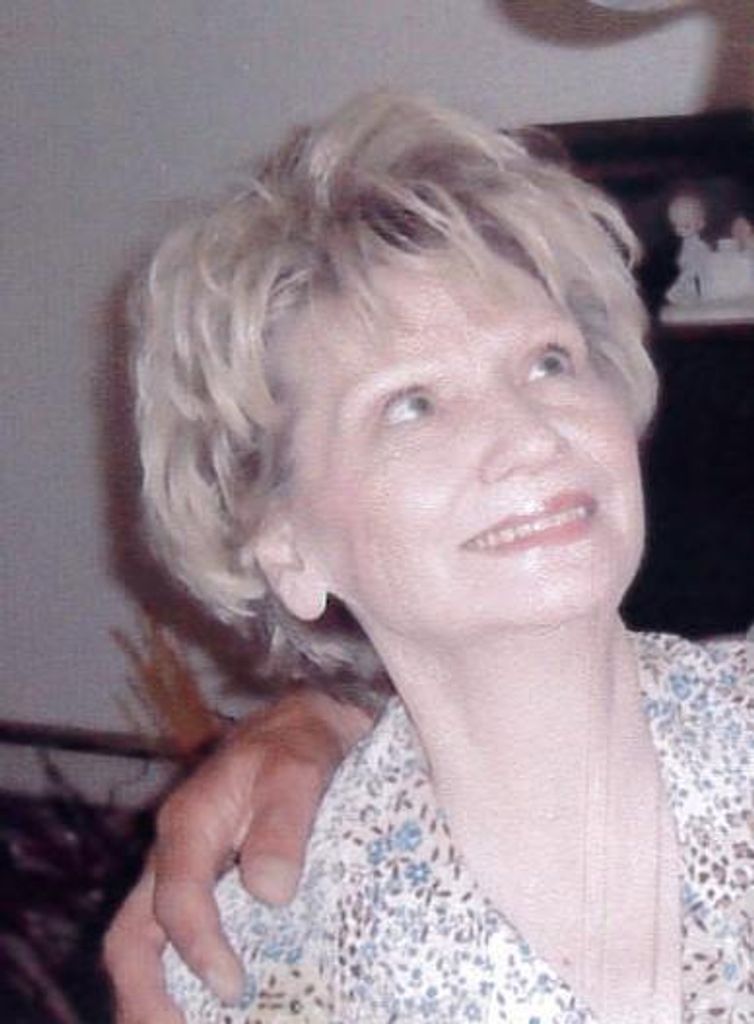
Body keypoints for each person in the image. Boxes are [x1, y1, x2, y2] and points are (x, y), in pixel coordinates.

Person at [106, 91, 754, 1022]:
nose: (529, 436)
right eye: (411, 405)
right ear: (285, 546)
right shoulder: (261, 975)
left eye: (549, 362)